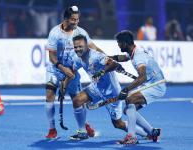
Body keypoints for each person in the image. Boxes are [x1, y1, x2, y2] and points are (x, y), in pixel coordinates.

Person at [69, 34, 152, 141]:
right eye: (75, 47)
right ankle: (82, 132)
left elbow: (113, 64)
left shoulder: (96, 56)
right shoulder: (78, 59)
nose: (78, 49)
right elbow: (72, 71)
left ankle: (146, 134)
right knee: (77, 100)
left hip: (112, 93)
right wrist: (64, 86)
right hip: (96, 88)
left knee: (118, 124)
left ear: (86, 46)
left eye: (80, 46)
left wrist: (102, 71)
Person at [45, 5, 104, 139]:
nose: (76, 22)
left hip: (72, 72)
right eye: (73, 20)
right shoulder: (55, 33)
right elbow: (52, 57)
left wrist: (107, 57)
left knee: (77, 100)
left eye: (77, 19)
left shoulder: (80, 32)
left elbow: (93, 47)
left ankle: (84, 125)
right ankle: (52, 129)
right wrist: (62, 68)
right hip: (56, 69)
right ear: (65, 19)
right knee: (49, 95)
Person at [111, 30, 166, 144]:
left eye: (119, 43)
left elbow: (142, 78)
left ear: (125, 43)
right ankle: (152, 132)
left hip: (156, 85)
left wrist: (126, 90)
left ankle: (131, 137)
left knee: (130, 99)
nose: (118, 45)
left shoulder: (138, 57)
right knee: (128, 109)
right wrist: (107, 57)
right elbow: (123, 58)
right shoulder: (133, 52)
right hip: (150, 84)